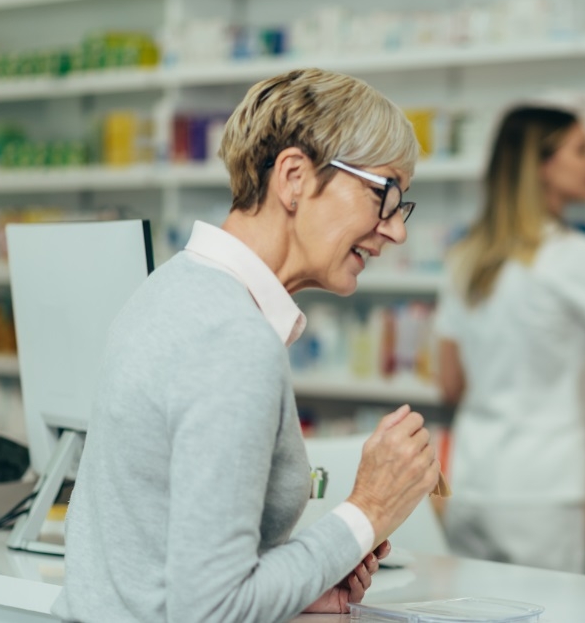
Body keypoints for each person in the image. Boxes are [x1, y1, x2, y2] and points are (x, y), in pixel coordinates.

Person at [53, 68, 441, 623]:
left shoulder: (172, 287)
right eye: (385, 193)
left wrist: (295, 582)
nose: (395, 230)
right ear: (294, 177)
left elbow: (167, 563)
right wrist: (368, 512)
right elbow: (211, 610)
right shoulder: (233, 337)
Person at [434, 106, 585, 574]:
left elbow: (449, 384)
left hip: (471, 484)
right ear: (541, 165)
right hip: (543, 492)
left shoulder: (465, 257)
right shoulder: (571, 255)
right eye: (581, 150)